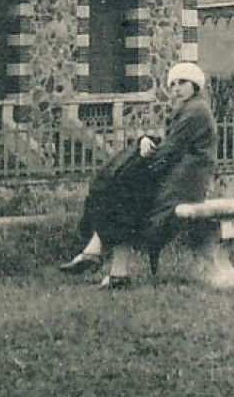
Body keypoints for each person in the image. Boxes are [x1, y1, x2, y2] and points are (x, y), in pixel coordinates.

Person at [59, 61, 217, 289]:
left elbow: (170, 151)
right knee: (124, 196)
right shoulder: (190, 109)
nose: (176, 89)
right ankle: (113, 271)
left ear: (195, 84)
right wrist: (146, 141)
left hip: (186, 182)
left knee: (125, 194)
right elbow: (170, 147)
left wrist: (142, 155)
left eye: (182, 83)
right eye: (172, 85)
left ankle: (99, 257)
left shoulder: (196, 112)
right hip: (177, 176)